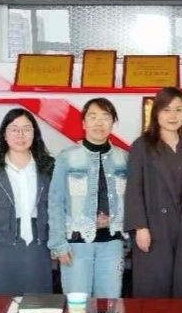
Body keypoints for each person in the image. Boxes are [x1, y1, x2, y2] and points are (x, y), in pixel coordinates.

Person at [124, 87, 182, 298]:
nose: (173, 116)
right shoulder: (142, 146)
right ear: (156, 113)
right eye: (166, 110)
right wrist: (140, 227)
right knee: (154, 288)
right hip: (153, 227)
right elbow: (134, 189)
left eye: (178, 109)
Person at [48, 98, 129, 299]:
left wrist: (119, 222)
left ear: (113, 122)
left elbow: (132, 200)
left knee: (108, 304)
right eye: (93, 117)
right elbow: (56, 202)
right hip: (76, 244)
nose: (99, 123)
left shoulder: (124, 158)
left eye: (105, 117)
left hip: (112, 243)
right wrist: (58, 243)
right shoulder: (67, 157)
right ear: (84, 123)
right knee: (77, 304)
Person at [0, 109, 55, 296]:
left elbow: (57, 206)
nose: (20, 135)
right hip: (2, 241)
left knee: (38, 302)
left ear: (34, 134)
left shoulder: (47, 165)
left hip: (39, 242)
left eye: (26, 129)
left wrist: (57, 241)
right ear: (4, 134)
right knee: (1, 303)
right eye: (14, 129)